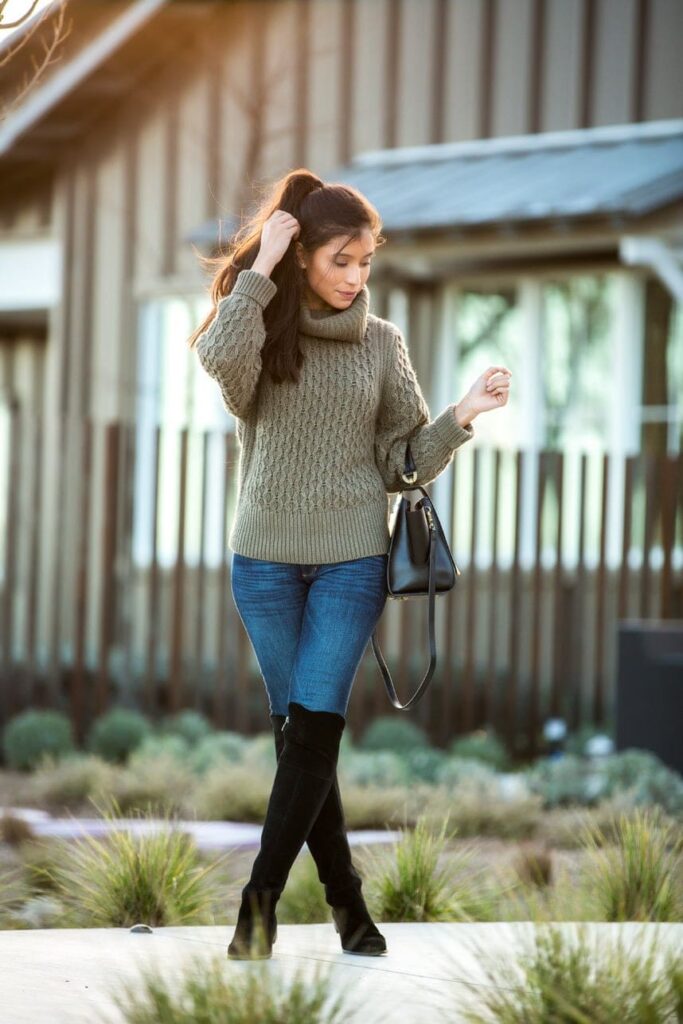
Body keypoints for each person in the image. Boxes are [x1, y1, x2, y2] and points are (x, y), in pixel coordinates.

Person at [189, 168, 511, 960]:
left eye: (365, 262)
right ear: (304, 256)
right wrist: (262, 261)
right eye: (340, 260)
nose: (355, 277)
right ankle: (349, 909)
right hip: (261, 562)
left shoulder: (381, 344)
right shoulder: (261, 332)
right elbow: (215, 358)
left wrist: (460, 416)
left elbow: (401, 461)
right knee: (301, 738)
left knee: (314, 729)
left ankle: (256, 912)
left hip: (350, 563)